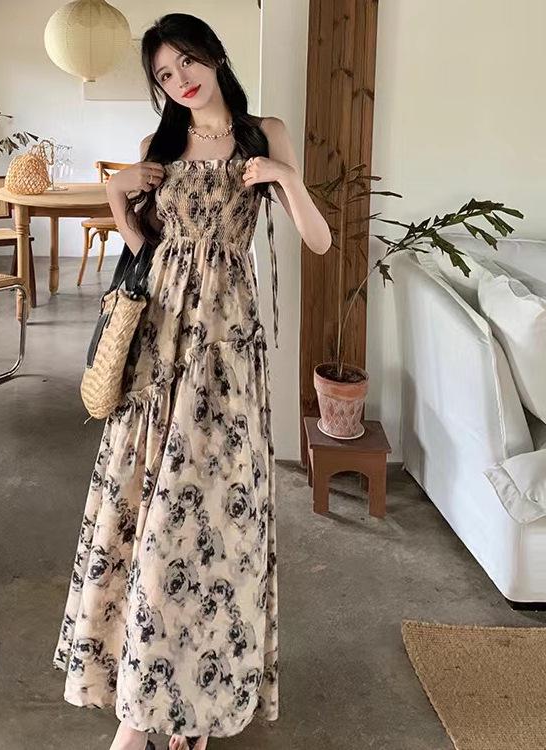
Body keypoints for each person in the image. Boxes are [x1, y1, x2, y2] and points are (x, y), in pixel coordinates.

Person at [52, 12, 332, 750]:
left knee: (212, 518)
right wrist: (118, 198)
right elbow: (146, 249)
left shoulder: (264, 133)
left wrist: (285, 178)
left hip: (227, 350)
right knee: (146, 508)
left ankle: (194, 706)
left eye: (187, 62)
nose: (180, 80)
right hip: (158, 345)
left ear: (213, 54)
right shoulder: (160, 147)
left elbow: (319, 239)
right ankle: (144, 710)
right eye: (164, 75)